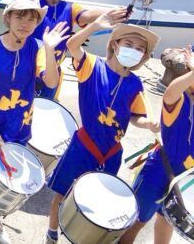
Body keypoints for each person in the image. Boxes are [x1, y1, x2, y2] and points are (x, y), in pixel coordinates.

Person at [44, 13, 161, 244]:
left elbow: (137, 116)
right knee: (63, 192)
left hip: (112, 152)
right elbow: (72, 45)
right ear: (115, 45)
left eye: (139, 49)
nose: (133, 50)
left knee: (97, 198)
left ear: (144, 56)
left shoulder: (136, 84)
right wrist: (95, 26)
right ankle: (52, 232)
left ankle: (83, 236)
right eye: (128, 44)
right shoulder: (92, 66)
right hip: (84, 146)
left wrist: (147, 123)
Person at [0, 0, 66, 244]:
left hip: (17, 125)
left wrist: (51, 49)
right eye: (19, 16)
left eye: (31, 19)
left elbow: (51, 80)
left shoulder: (38, 48)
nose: (25, 23)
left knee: (9, 177)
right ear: (8, 18)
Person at [120, 45, 194, 244]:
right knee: (137, 218)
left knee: (167, 219)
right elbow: (170, 93)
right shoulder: (179, 100)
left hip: (185, 175)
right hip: (160, 169)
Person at [11, 0, 108, 98]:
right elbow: (20, 7)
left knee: (47, 106)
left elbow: (87, 16)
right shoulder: (34, 4)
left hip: (52, 69)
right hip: (24, 67)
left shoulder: (71, 8)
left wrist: (112, 13)